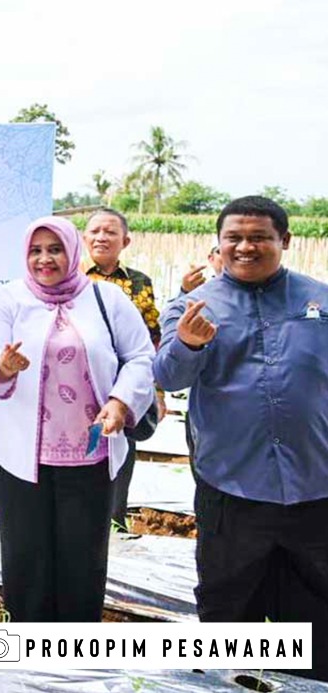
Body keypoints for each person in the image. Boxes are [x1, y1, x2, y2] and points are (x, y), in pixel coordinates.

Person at [155, 196, 328, 682]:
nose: (245, 247)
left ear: (284, 240)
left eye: (258, 237)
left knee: (317, 615)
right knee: (228, 609)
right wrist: (189, 344)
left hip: (316, 486)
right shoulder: (193, 306)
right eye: (234, 237)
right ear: (219, 243)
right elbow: (167, 376)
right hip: (232, 487)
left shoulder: (320, 301)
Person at [0, 218, 155, 622]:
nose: (45, 259)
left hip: (91, 453)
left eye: (55, 249)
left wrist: (121, 401)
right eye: (36, 250)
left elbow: (141, 356)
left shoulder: (107, 298)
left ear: (72, 252)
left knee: (83, 560)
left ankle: (75, 649)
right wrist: (2, 365)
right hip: (21, 457)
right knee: (25, 559)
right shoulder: (7, 300)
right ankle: (27, 648)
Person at [81, 206, 164, 531]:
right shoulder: (72, 278)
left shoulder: (139, 283)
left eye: (110, 232)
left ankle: (114, 520)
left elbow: (152, 338)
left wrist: (156, 391)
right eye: (95, 231)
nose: (101, 237)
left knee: (122, 450)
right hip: (80, 382)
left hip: (124, 384)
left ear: (125, 241)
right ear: (84, 238)